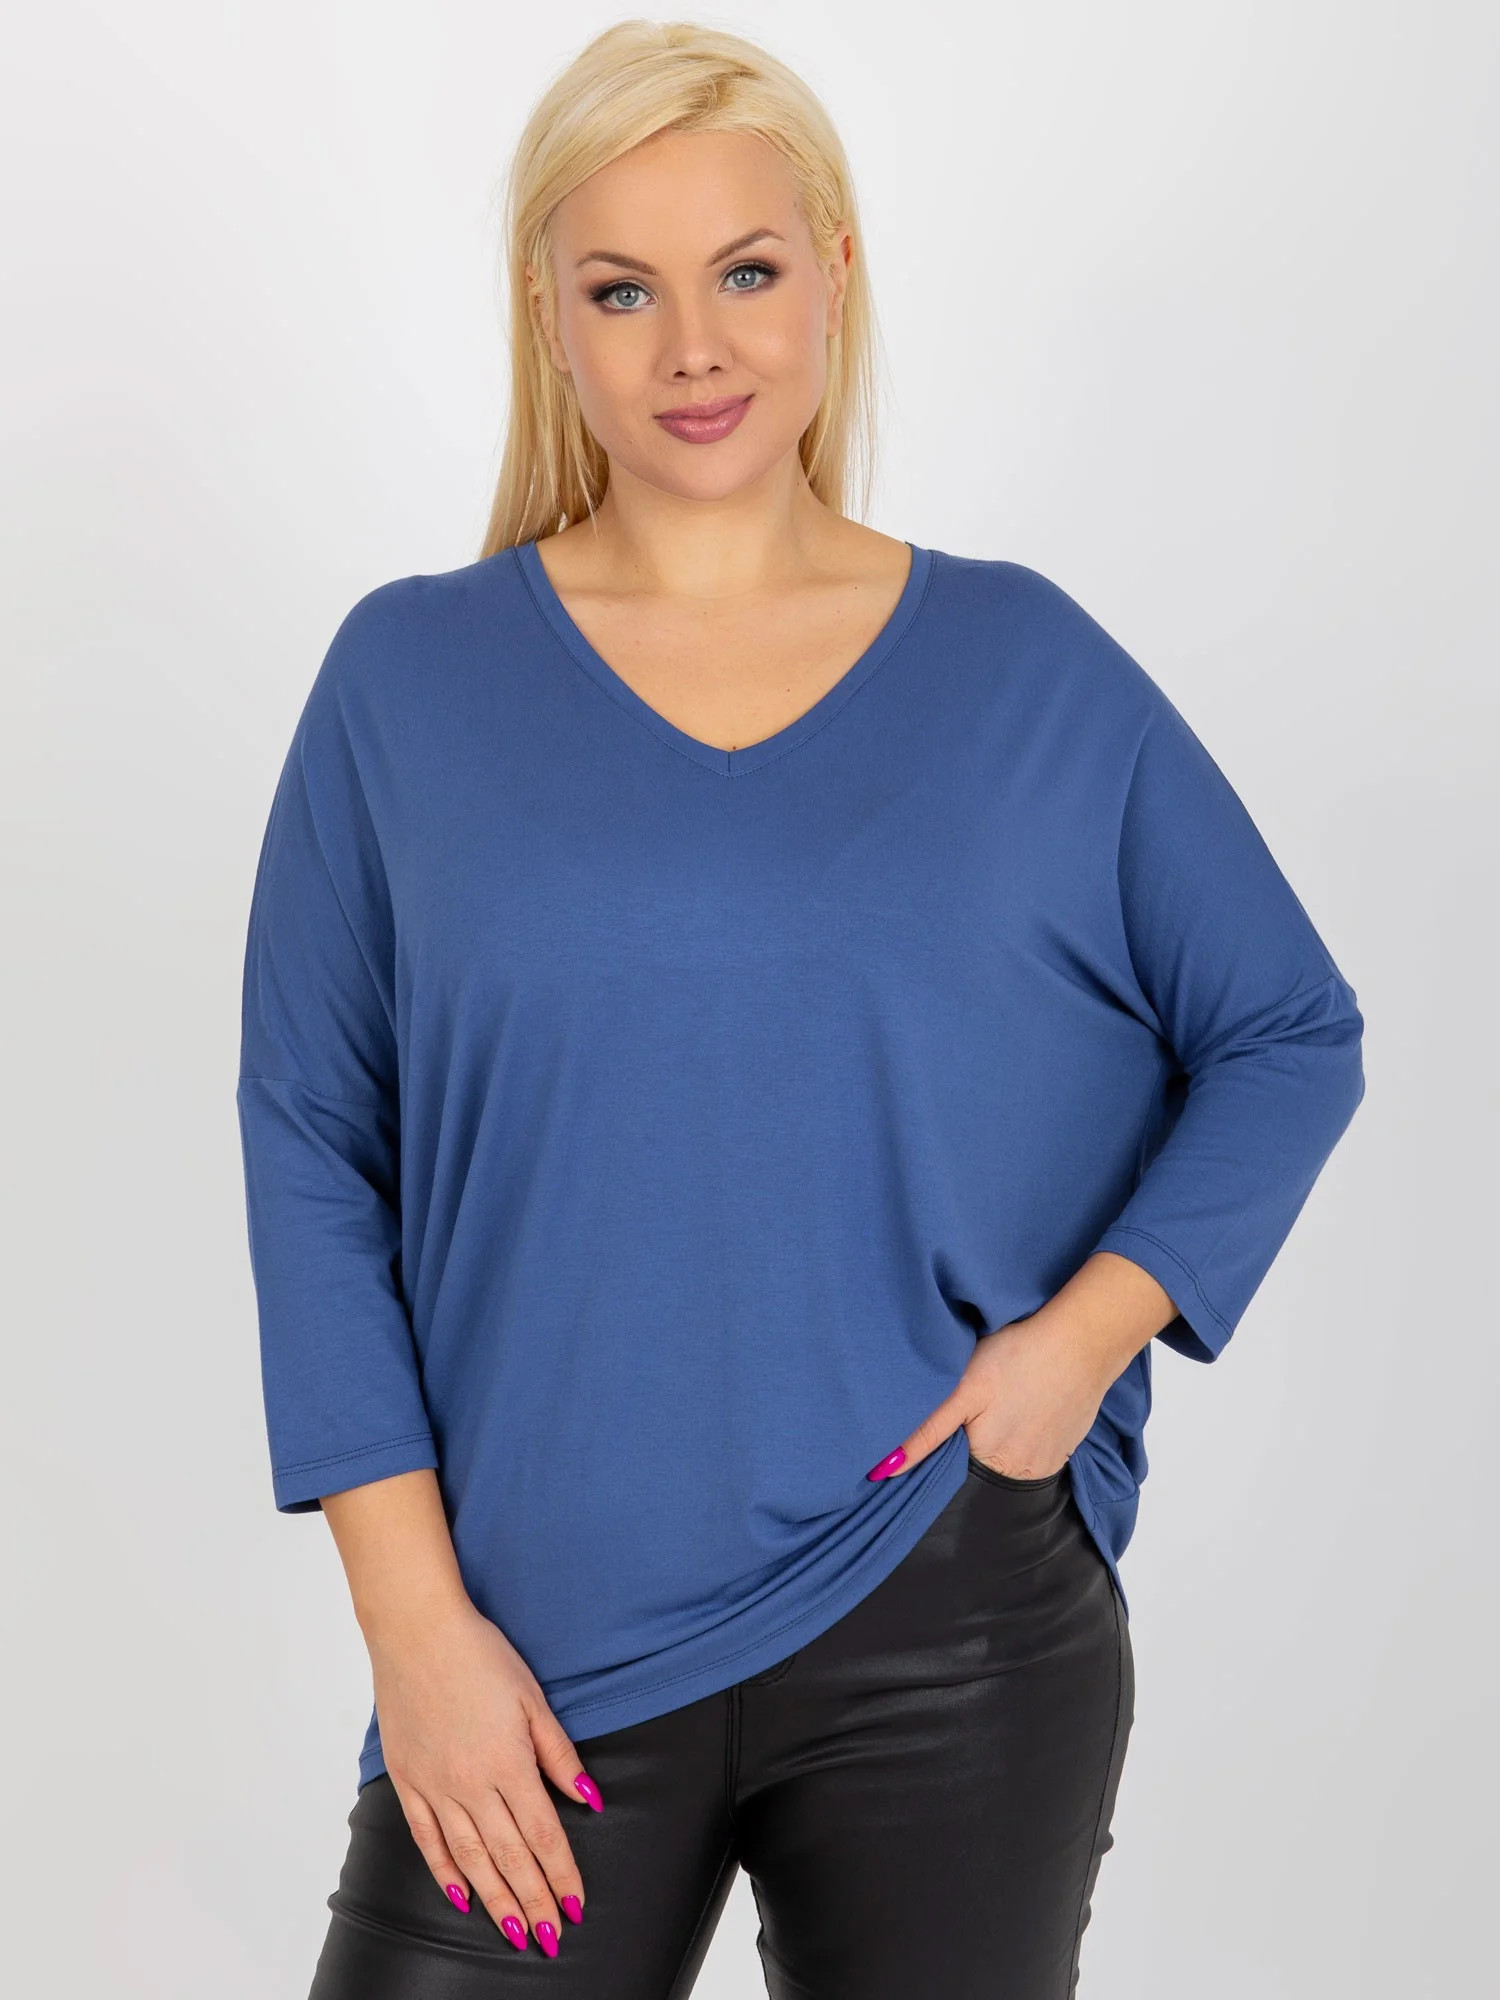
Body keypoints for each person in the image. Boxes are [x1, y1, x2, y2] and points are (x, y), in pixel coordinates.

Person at [234, 19, 1366, 1998]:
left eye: (746, 271)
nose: (695, 347)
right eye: (624, 289)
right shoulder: (405, 685)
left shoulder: (1025, 668)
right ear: (549, 318)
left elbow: (1286, 1028)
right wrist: (414, 1632)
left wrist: (1081, 1347)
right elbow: (316, 1148)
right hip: (533, 1651)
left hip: (948, 1608)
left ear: (833, 275)